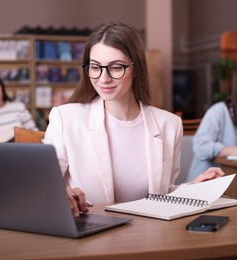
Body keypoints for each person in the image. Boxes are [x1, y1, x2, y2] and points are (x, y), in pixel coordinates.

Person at [43, 21, 224, 217]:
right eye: (95, 67)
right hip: (91, 236)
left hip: (148, 236)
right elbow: (43, 188)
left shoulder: (169, 125)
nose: (104, 78)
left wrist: (193, 188)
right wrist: (62, 194)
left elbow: (161, 196)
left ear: (136, 68)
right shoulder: (66, 118)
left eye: (116, 67)